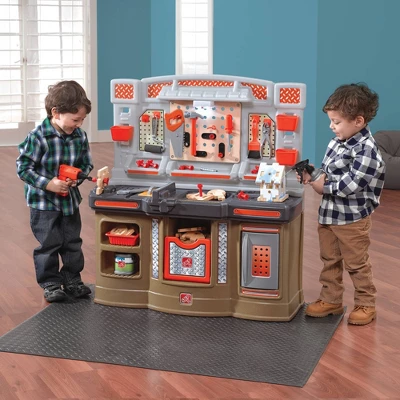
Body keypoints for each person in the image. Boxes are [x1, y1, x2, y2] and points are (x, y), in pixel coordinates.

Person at [300, 83, 385, 326]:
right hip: (329, 215)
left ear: (358, 121)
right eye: (331, 121)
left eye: (336, 122)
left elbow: (351, 185)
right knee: (330, 259)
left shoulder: (367, 151)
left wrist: (323, 187)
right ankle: (331, 299)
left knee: (357, 263)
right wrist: (313, 174)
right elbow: (328, 172)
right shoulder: (337, 142)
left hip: (352, 220)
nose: (331, 126)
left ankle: (366, 303)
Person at [16, 80, 94, 303]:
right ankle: (50, 283)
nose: (79, 124)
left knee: (72, 242)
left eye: (82, 120)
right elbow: (23, 168)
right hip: (43, 203)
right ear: (56, 112)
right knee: (49, 244)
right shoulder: (38, 137)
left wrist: (77, 177)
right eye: (75, 119)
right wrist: (48, 184)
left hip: (69, 202)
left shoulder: (80, 136)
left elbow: (86, 163)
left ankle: (72, 279)